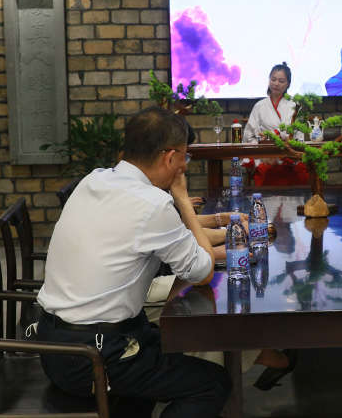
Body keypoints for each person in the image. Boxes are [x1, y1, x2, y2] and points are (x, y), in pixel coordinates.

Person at [34, 107, 231, 417]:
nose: (185, 165)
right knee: (213, 383)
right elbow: (203, 271)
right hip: (94, 356)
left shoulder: (93, 180)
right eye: (185, 157)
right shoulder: (154, 203)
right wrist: (182, 200)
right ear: (170, 158)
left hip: (54, 343)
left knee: (180, 345)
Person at [243, 62, 307, 185]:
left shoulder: (295, 105)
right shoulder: (259, 106)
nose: (276, 84)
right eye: (273, 79)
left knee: (299, 169)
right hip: (266, 155)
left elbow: (298, 136)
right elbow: (249, 136)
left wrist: (287, 153)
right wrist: (263, 156)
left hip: (290, 155)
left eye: (281, 81)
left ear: (288, 84)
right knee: (264, 169)